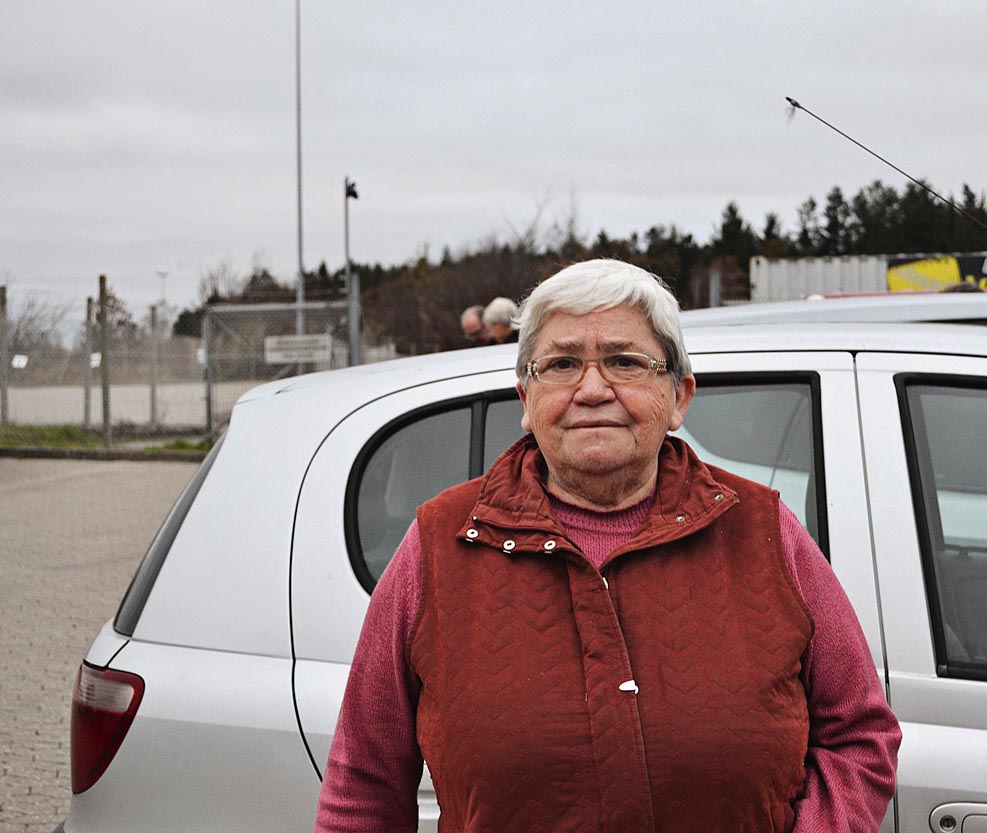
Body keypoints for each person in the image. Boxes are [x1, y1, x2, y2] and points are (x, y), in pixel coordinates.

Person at [315, 259, 901, 833]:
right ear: (526, 400)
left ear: (678, 398)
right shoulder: (439, 547)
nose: (593, 390)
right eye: (563, 364)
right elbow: (363, 788)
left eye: (625, 362)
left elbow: (858, 737)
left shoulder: (763, 532)